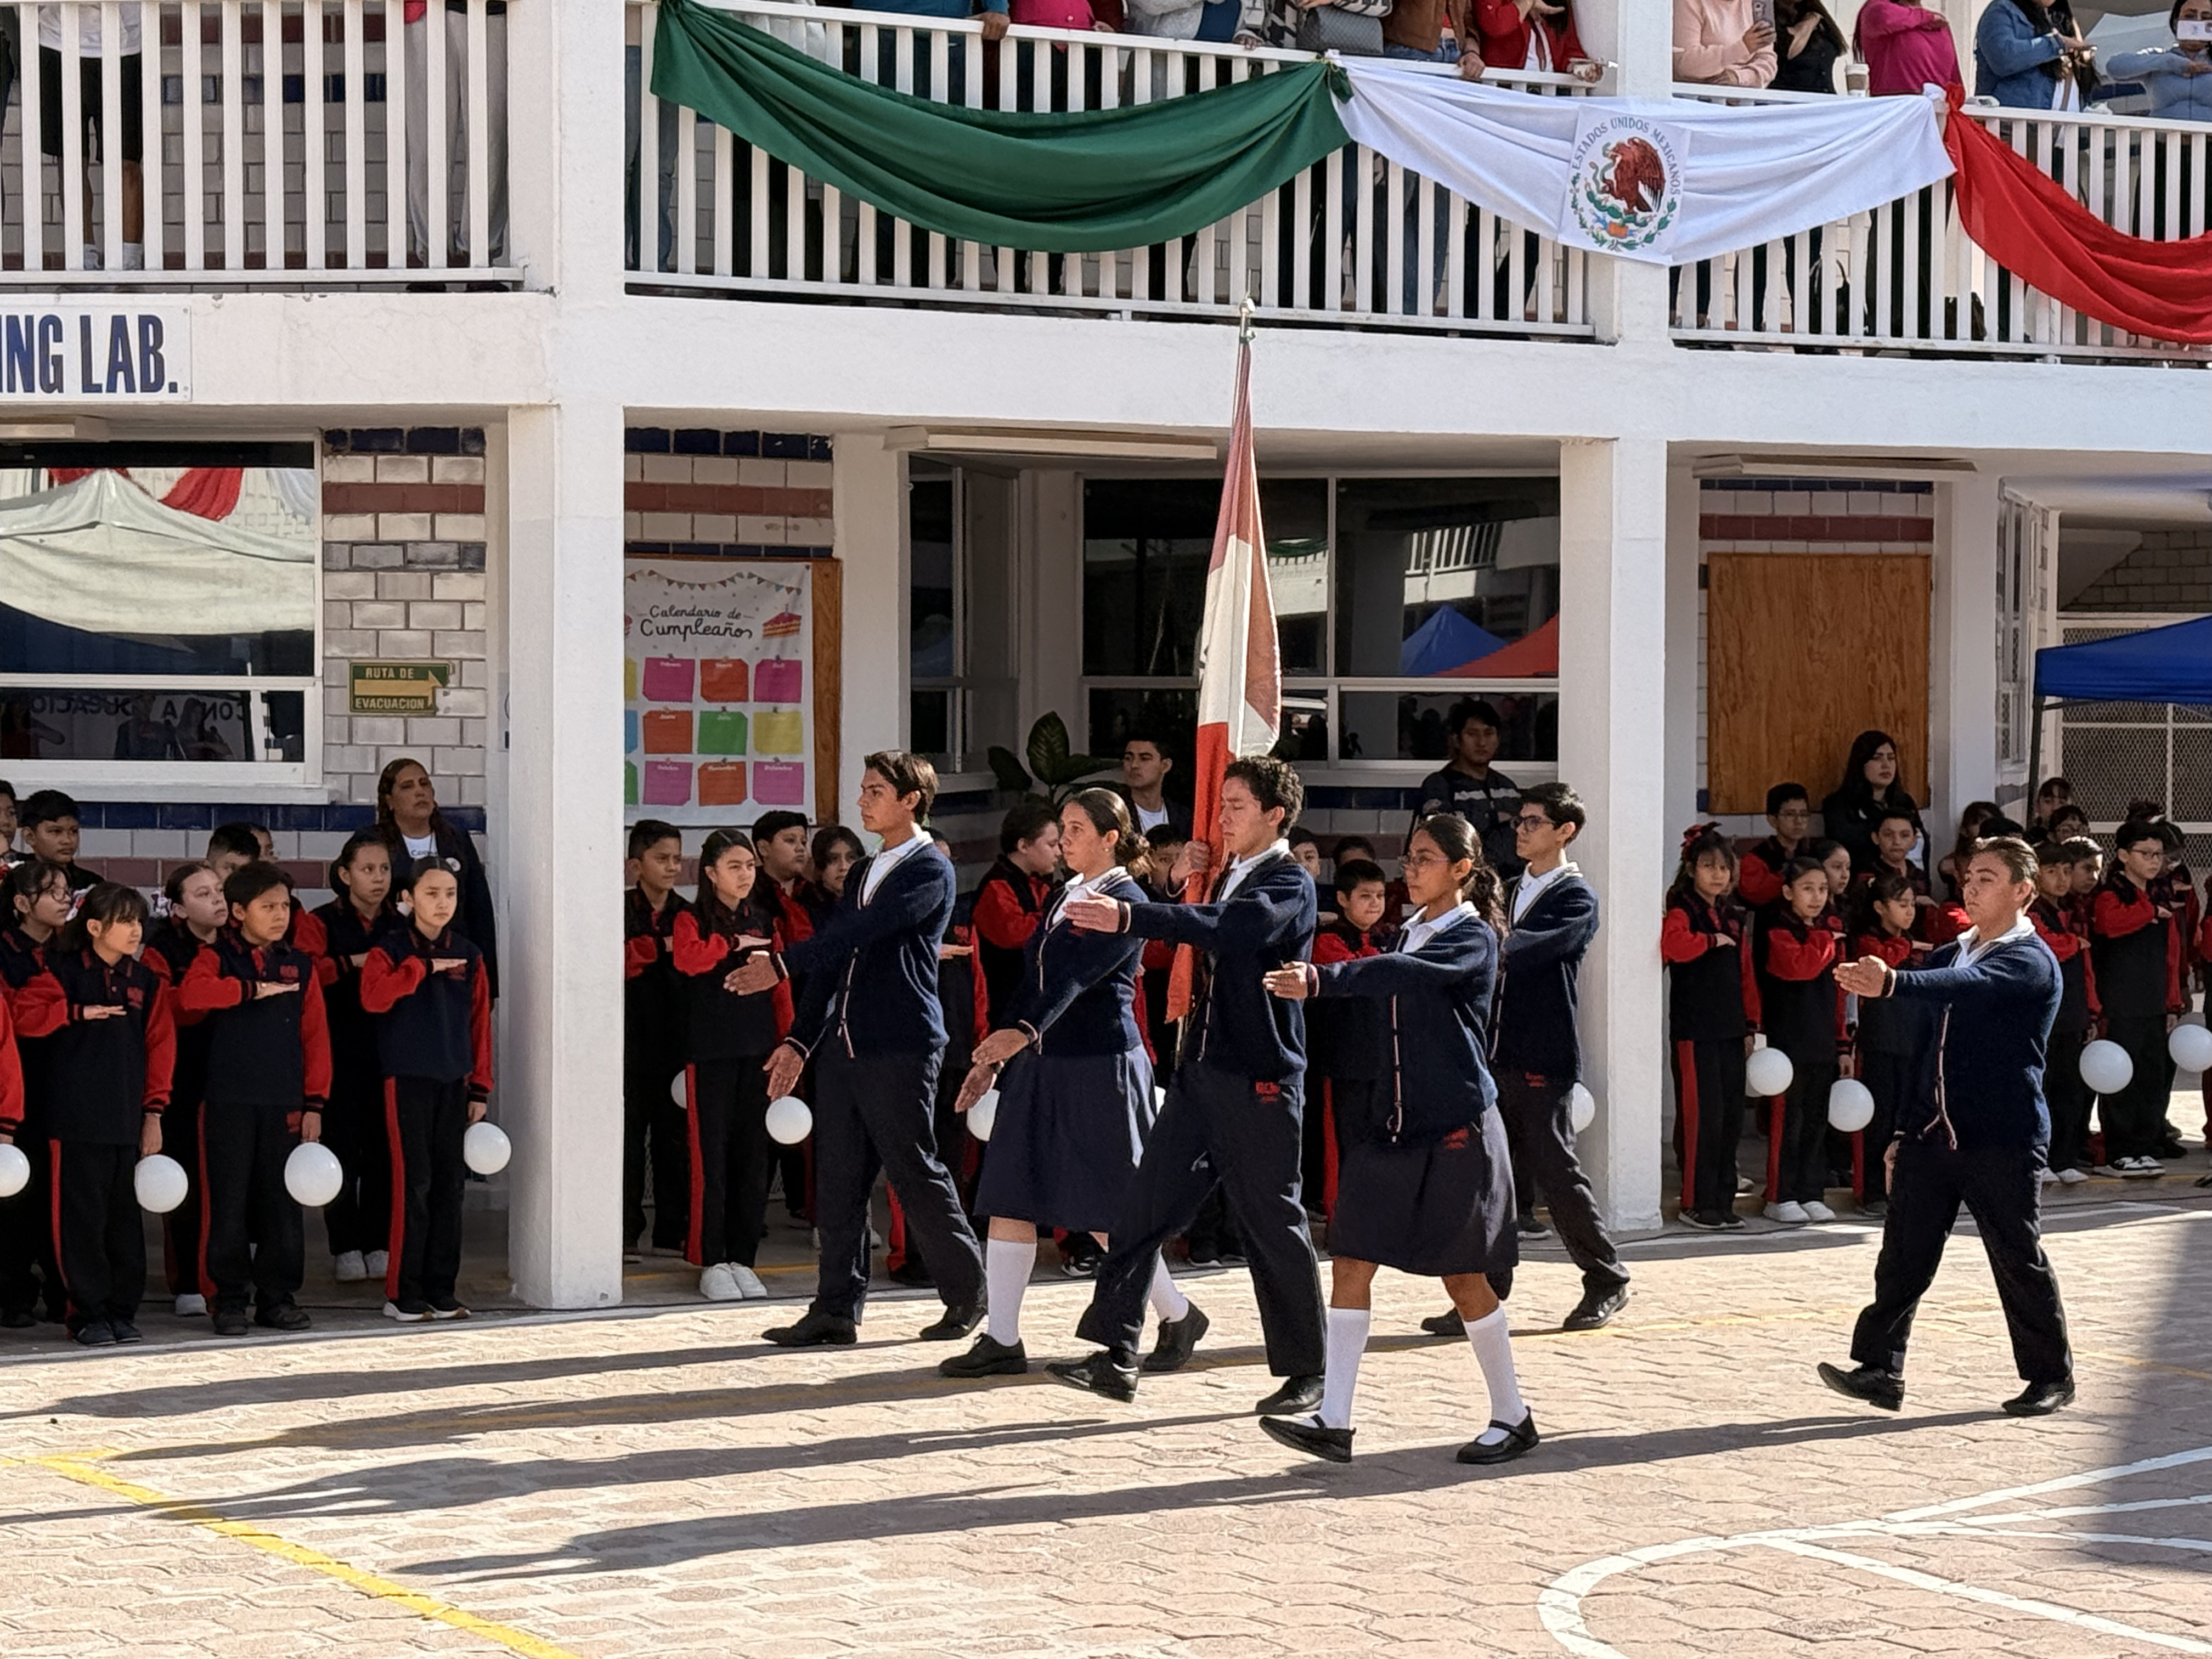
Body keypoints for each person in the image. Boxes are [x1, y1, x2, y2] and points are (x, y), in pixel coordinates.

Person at [1256, 813, 1537, 1466]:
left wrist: (1323, 981)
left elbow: (1400, 976)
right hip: (1394, 1127)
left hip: (1458, 1129)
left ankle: (1513, 1415)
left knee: (1464, 1280)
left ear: (1462, 871)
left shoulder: (1469, 938)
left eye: (1425, 860)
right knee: (1351, 1259)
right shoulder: (1410, 930)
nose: (1409, 871)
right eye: (1408, 858)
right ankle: (1334, 1420)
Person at [1048, 755, 1326, 1413]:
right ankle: (1116, 1352)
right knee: (1141, 1212)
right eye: (1221, 803)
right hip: (1201, 1071)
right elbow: (1203, 925)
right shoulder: (1227, 873)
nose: (1222, 816)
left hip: (1259, 1080)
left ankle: (1308, 1370)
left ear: (1274, 815)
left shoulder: (1289, 881)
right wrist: (1177, 890)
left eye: (1236, 805)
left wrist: (1132, 917)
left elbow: (1232, 931)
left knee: (1271, 1225)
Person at [736, 752, 986, 1348]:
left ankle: (969, 1292)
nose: (863, 800)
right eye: (863, 788)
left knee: (913, 1170)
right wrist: (799, 1038)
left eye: (875, 790)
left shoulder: (930, 870)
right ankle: (835, 1309)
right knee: (839, 1179)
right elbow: (835, 952)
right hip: (845, 1047)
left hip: (900, 1044)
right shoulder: (866, 870)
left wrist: (780, 963)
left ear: (910, 801)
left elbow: (860, 934)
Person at [1824, 837, 2074, 1418]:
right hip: (1932, 1137)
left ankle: (2050, 1375)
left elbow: (1969, 988)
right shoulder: (1946, 954)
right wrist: (1903, 1132)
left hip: (2001, 1139)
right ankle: (1879, 1369)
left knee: (2017, 1257)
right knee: (1903, 1255)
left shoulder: (2029, 961)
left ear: (2023, 892)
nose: (1971, 886)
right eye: (1969, 877)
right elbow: (1923, 1051)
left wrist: (1891, 984)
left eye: (1987, 878)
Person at [939, 790, 1163, 1379]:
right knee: (1010, 1192)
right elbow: (1035, 980)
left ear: (1111, 837)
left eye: (1076, 828)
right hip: (1042, 1061)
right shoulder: (1066, 893)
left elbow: (1077, 979)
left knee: (1109, 1209)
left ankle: (1178, 1313)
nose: (1064, 839)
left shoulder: (1127, 899)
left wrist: (1020, 1034)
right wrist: (995, 1051)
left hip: (1099, 1065)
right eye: (1061, 829)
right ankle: (1003, 1338)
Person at [1468, 782, 1631, 1330]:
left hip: (1544, 1052)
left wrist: (1483, 940)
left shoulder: (1575, 898)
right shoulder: (1512, 890)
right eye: (1520, 820)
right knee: (1494, 1173)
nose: (1522, 829)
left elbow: (1521, 948)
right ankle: (1488, 1290)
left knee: (1556, 1170)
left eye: (1534, 821)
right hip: (1499, 1049)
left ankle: (1606, 1275)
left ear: (1566, 831)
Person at [11, 883, 173, 1345]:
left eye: (140, 922)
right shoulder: (60, 972)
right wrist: (74, 1013)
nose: (135, 931)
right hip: (73, 1119)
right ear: (95, 926)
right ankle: (86, 1314)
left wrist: (154, 1113)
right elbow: (22, 1014)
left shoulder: (146, 982)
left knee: (124, 1221)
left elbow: (161, 1048)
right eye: (125, 921)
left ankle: (123, 1310)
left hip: (126, 1117)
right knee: (79, 1221)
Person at [176, 863, 330, 1337]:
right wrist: (247, 990)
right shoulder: (216, 957)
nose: (279, 915)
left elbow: (316, 1037)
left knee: (282, 1205)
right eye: (268, 907)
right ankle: (228, 1299)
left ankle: (278, 1297)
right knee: (227, 1202)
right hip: (227, 1101)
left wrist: (315, 1104)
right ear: (239, 911)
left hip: (284, 1102)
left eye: (284, 906)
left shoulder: (299, 965)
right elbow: (189, 998)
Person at [360, 857, 494, 1322]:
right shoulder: (391, 950)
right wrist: (419, 969)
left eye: (450, 894)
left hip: (454, 1082)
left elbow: (480, 1025)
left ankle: (443, 1288)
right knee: (412, 1184)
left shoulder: (470, 954)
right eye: (432, 893)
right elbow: (373, 998)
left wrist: (480, 1088)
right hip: (407, 1080)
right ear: (408, 898)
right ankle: (403, 1292)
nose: (442, 903)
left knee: (448, 1188)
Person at [672, 830, 791, 1302]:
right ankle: (709, 1258)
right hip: (711, 1052)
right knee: (710, 1158)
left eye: (750, 866)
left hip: (758, 1051)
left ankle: (743, 1257)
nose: (745, 875)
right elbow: (688, 960)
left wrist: (789, 1044)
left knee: (752, 1158)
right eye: (735, 866)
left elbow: (780, 986)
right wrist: (728, 943)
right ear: (712, 872)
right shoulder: (691, 917)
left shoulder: (764, 918)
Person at [313, 833, 399, 1286]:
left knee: (384, 1149)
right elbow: (311, 974)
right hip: (338, 1050)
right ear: (345, 874)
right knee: (341, 1148)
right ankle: (344, 1244)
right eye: (368, 870)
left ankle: (379, 1241)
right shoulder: (321, 922)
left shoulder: (402, 924)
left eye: (384, 869)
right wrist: (356, 962)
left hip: (387, 1050)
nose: (378, 879)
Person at [1663, 826, 1758, 1232]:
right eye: (1708, 867)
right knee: (1702, 1117)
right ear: (1691, 869)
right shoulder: (1683, 910)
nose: (1718, 875)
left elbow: (1746, 975)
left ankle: (1723, 1199)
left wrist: (1751, 1024)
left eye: (1724, 867)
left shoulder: (1734, 918)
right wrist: (1709, 942)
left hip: (1732, 1030)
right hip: (1695, 1031)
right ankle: (1697, 1202)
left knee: (1730, 1117)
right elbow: (1674, 947)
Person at [142, 862, 225, 1316]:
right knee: (186, 1183)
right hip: (183, 1080)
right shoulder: (162, 950)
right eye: (202, 893)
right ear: (177, 906)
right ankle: (189, 1280)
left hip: (234, 1077)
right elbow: (170, 1009)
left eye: (219, 890)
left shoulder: (239, 943)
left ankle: (227, 1274)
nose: (217, 900)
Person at [2089, 819, 2185, 1177]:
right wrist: (2148, 912)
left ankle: (2145, 1146)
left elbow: (2172, 956)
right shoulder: (2111, 894)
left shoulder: (2160, 896)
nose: (2154, 861)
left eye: (2159, 855)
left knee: (2152, 1076)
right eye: (2146, 854)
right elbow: (2109, 925)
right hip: (2120, 1003)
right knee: (2119, 1076)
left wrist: (2173, 1002)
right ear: (2124, 856)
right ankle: (2119, 1149)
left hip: (2155, 1004)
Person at [1755, 858, 1844, 1226]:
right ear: (1789, 891)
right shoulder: (1778, 930)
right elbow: (1799, 967)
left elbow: (1840, 993)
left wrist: (1843, 1044)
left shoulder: (1829, 932)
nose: (1817, 897)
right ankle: (1780, 1195)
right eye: (1807, 888)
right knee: (1788, 1122)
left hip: (1823, 1040)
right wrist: (1827, 939)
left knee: (1817, 1122)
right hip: (1787, 1043)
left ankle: (1811, 1192)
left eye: (1823, 889)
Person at [0, 859, 69, 1328]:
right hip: (19, 1087)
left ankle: (65, 1292)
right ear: (22, 904)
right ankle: (13, 1294)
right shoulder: (5, 953)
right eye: (52, 892)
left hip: (69, 1087)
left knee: (62, 1196)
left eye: (67, 889)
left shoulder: (76, 950)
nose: (65, 898)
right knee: (15, 1198)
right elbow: (17, 1019)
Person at [1306, 858, 1393, 1220]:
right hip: (1340, 1061)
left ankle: (1375, 1214)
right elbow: (1360, 976)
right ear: (1342, 899)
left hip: (1380, 1059)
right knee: (1340, 1141)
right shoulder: (1327, 940)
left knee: (1377, 1139)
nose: (1375, 904)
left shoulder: (1388, 938)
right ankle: (1341, 1215)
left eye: (1380, 895)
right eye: (1365, 896)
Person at [622, 820, 691, 1261]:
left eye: (676, 859)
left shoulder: (689, 914)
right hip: (628, 1046)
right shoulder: (619, 912)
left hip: (677, 1046)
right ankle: (625, 1231)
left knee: (674, 1141)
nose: (671, 868)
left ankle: (672, 1231)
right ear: (635, 866)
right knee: (627, 1143)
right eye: (661, 859)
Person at [373, 758, 498, 995]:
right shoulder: (374, 842)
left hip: (456, 962)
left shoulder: (456, 838)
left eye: (424, 784)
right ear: (390, 801)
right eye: (407, 787)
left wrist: (489, 983)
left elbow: (479, 909)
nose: (420, 791)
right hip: (400, 964)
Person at [38, 1, 146, 270]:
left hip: (125, 42)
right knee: (71, 161)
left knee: (127, 162)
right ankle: (83, 261)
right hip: (57, 40)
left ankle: (129, 266)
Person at [1850, 870, 1927, 1217]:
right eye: (1901, 904)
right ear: (1881, 907)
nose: (1909, 911)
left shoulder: (1913, 942)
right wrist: (1909, 948)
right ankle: (1870, 1191)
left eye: (1912, 904)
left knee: (1904, 1117)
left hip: (1909, 1040)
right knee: (1877, 1118)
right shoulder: (1868, 941)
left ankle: (1902, 1186)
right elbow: (1883, 966)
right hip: (1878, 1040)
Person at [2028, 842, 2097, 1187]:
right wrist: (2073, 942)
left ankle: (2064, 1157)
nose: (2061, 879)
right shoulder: (2032, 912)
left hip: (2073, 1014)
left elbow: (2086, 969)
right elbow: (2047, 945)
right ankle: (2038, 1158)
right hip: (2042, 1016)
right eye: (2052, 871)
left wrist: (2093, 1013)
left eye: (2067, 871)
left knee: (2070, 1089)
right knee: (2042, 1087)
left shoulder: (2075, 910)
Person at [972, 799, 1063, 1020]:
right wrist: (1062, 914)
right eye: (1052, 845)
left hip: (1029, 997)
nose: (1059, 852)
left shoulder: (1037, 882)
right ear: (1023, 846)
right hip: (1004, 1002)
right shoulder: (996, 885)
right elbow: (1014, 934)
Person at [1411, 699, 1522, 877]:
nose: (1481, 742)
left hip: (1511, 887)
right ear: (1457, 739)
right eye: (1472, 734)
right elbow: (1440, 837)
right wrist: (1494, 818)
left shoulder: (1508, 787)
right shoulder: (1440, 785)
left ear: (1498, 739)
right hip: (1463, 886)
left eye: (1489, 733)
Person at [1821, 730, 1922, 877]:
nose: (1886, 765)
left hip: (1911, 882)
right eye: (1877, 758)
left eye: (1891, 758)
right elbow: (1847, 842)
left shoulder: (1905, 802)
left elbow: (1920, 842)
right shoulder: (1838, 804)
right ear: (1861, 763)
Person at [1976, 0, 2096, 109]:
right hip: (2014, 127)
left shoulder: (2062, 19)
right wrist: (2055, 44)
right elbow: (2002, 59)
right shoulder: (2002, 12)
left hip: (2063, 129)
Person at [1855, 0, 1963, 94]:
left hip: (1935, 112)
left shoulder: (1938, 22)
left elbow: (1955, 82)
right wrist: (1926, 18)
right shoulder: (1875, 11)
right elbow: (1883, 16)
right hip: (1896, 111)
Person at [1470, 0, 1598, 76]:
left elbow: (1569, 48)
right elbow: (1495, 25)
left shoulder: (1559, 3)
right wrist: (1526, 3)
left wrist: (1579, 67)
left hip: (1553, 93)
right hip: (1505, 90)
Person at [1740, 783, 1813, 912]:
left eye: (1803, 814)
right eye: (1790, 815)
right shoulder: (1757, 858)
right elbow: (1753, 895)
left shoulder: (1814, 852)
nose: (1799, 821)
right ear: (1773, 820)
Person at [1672, 0, 1776, 85]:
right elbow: (1685, 65)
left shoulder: (1757, 3)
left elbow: (1768, 62)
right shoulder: (1687, 2)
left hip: (1747, 100)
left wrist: (1739, 78)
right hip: (1698, 100)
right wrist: (1742, 48)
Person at [16, 791, 99, 893]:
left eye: (74, 831)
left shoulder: (90, 885)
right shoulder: (17, 881)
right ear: (30, 836)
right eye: (56, 831)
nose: (67, 840)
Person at [1119, 733, 1183, 838]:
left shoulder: (1183, 817)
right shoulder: (1114, 814)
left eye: (1144, 759)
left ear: (1165, 766)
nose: (1134, 765)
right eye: (1128, 758)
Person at [1936, 802, 1999, 906]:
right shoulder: (1951, 863)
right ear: (1964, 830)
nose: (1986, 827)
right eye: (1977, 823)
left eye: (1990, 822)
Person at [1771, 0, 1844, 91]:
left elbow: (1837, 47)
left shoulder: (1812, 9)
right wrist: (1810, 21)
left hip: (1825, 98)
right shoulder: (1767, 13)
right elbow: (1788, 49)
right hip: (1790, 97)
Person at [803, 825, 865, 929]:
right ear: (819, 867)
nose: (844, 867)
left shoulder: (868, 902)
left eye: (851, 858)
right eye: (833, 859)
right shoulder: (806, 910)